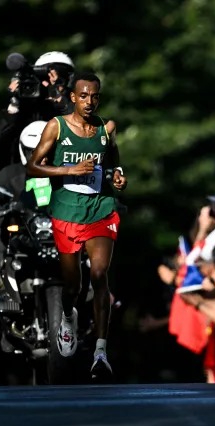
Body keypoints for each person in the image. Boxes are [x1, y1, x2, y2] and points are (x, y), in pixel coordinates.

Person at [26, 71, 127, 379]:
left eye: (94, 96)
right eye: (83, 96)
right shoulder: (56, 127)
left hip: (100, 208)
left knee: (99, 273)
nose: (89, 102)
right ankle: (68, 317)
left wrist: (118, 173)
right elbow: (33, 167)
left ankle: (100, 351)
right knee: (73, 285)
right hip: (67, 212)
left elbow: (112, 157)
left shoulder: (105, 128)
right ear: (72, 97)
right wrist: (68, 170)